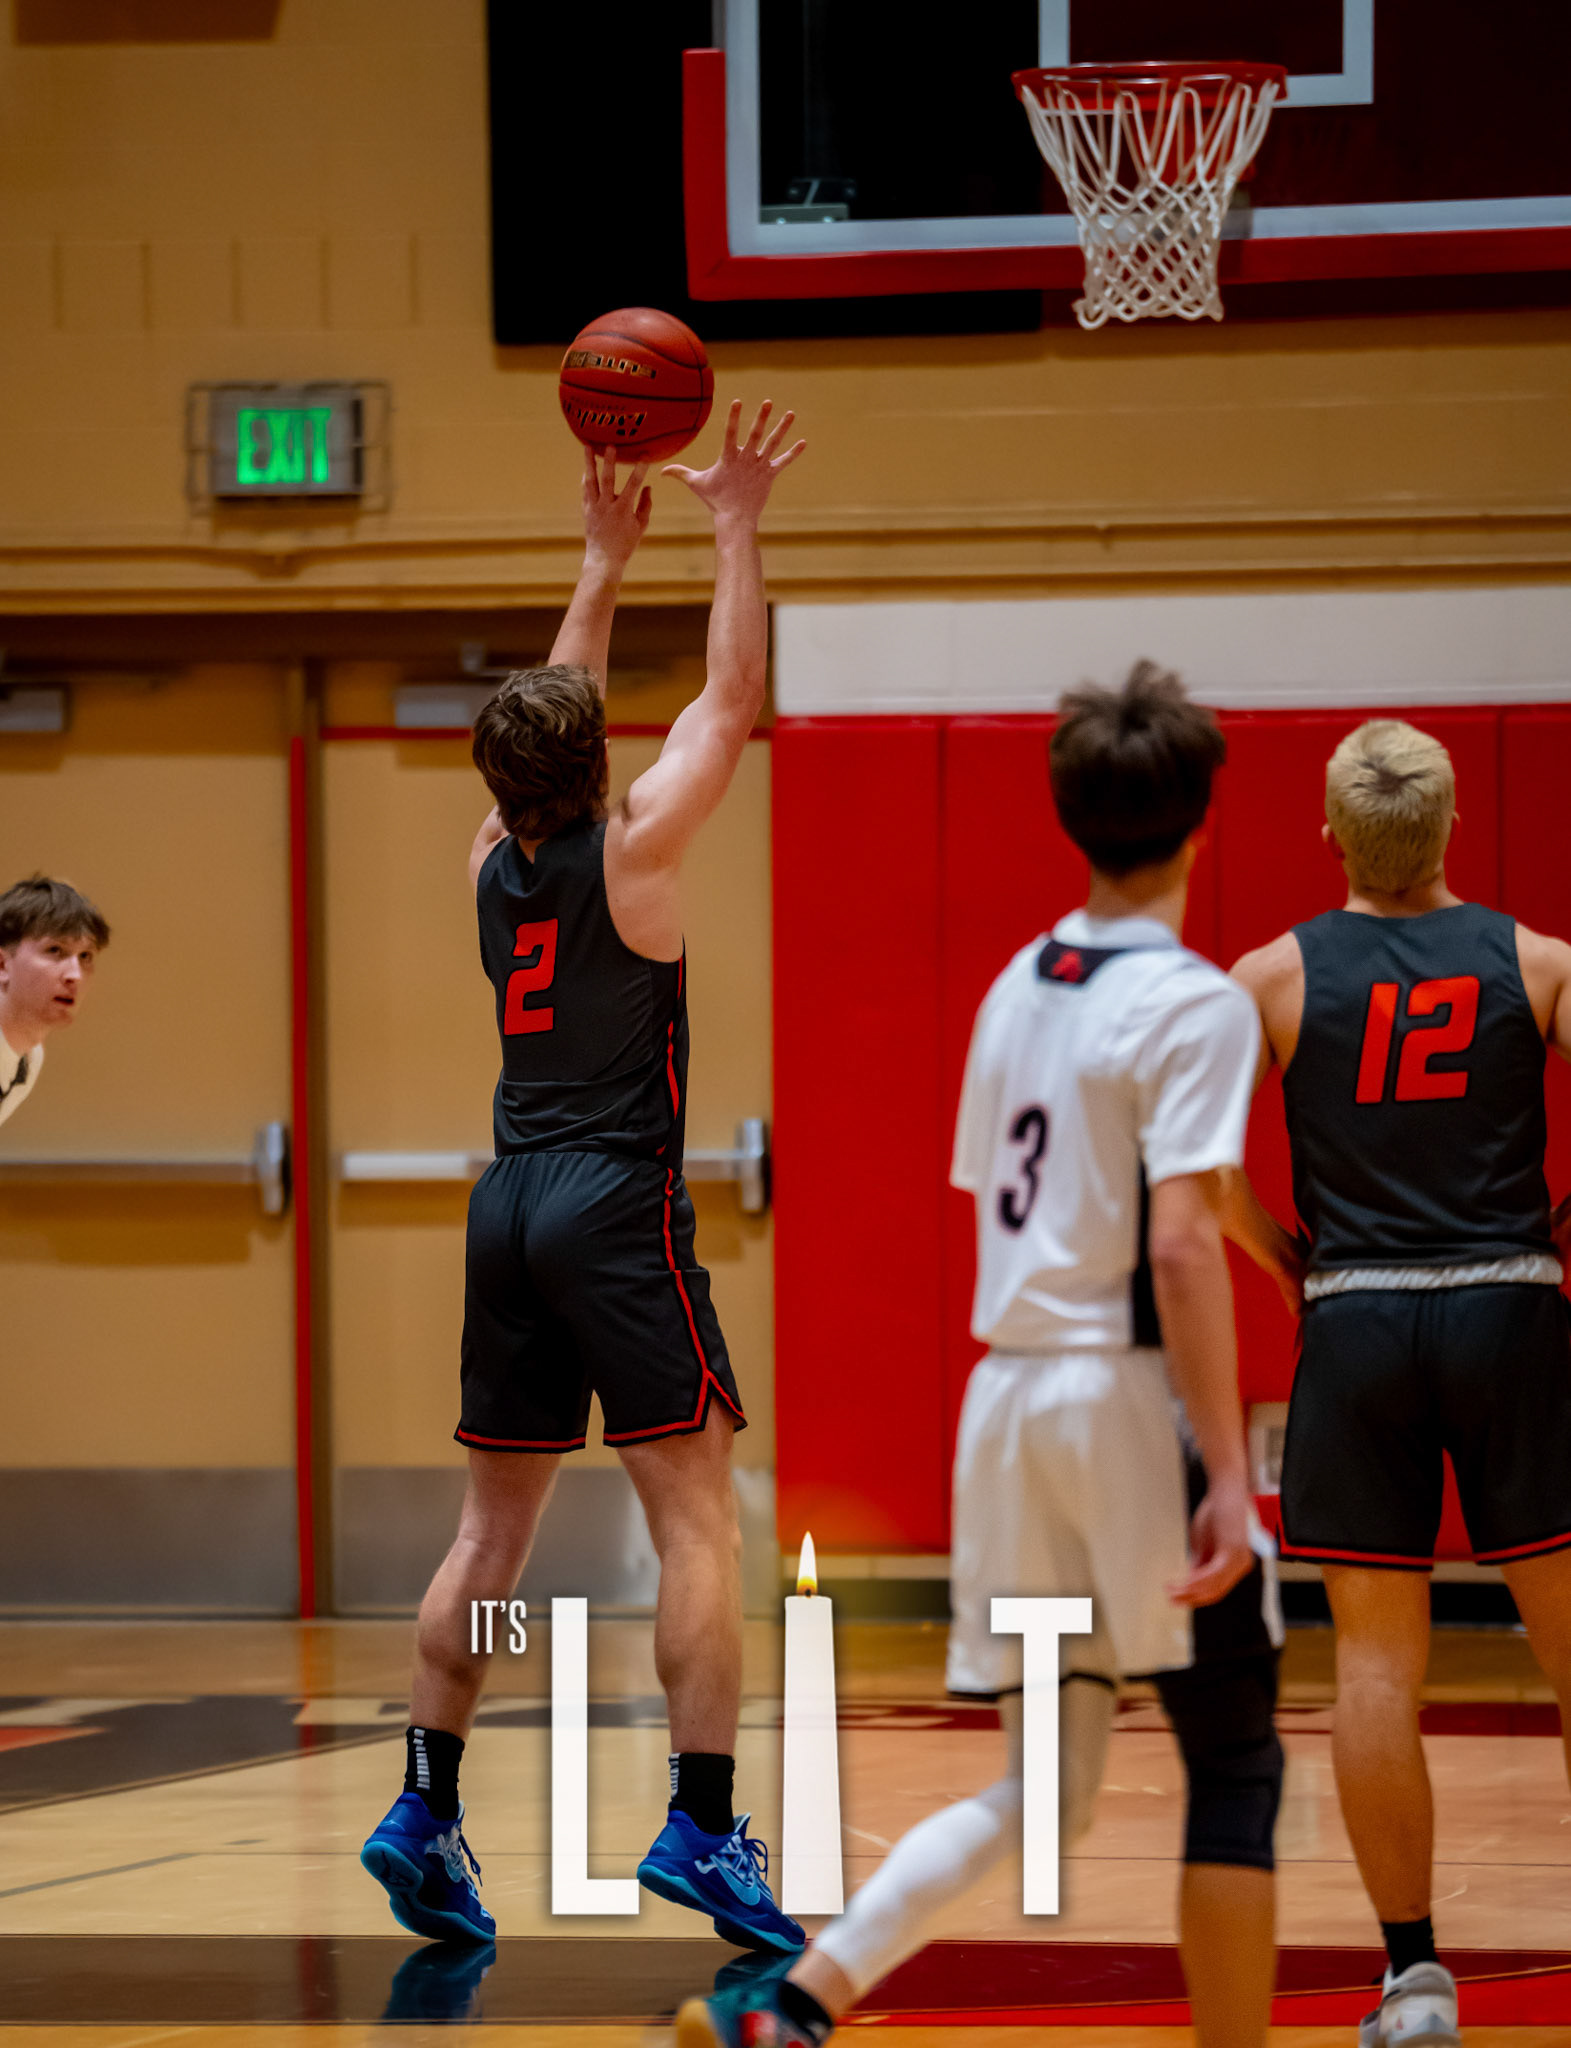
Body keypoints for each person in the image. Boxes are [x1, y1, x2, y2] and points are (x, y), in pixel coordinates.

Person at [679, 664, 1284, 2048]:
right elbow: (1180, 1243)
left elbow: (997, 1195)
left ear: (1071, 820)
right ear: (1201, 820)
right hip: (1115, 1396)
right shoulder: (1191, 1002)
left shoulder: (1016, 984)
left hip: (1003, 1402)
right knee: (1235, 1757)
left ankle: (791, 2008)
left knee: (1041, 1788)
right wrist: (1223, 1476)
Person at [360, 400, 807, 1949]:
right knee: (697, 1524)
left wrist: (598, 562)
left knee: (488, 1539)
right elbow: (730, 698)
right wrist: (731, 523)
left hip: (507, 1202)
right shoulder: (636, 852)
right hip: (613, 1201)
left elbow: (555, 724)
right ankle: (701, 1824)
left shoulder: (488, 861)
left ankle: (424, 1802)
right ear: (596, 758)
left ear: (497, 779)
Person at [1225, 718, 1571, 2048]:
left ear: (1330, 833)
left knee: (1373, 1667)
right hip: (1507, 1308)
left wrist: (1277, 1258)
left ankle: (1414, 1979)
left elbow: (1189, 1157)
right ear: (1448, 827)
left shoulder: (1267, 977)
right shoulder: (1536, 961)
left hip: (1355, 1318)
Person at [0, 875, 110, 1128]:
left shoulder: (29, 1058)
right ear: (3, 965)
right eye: (55, 950)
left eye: (85, 956)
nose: (75, 975)